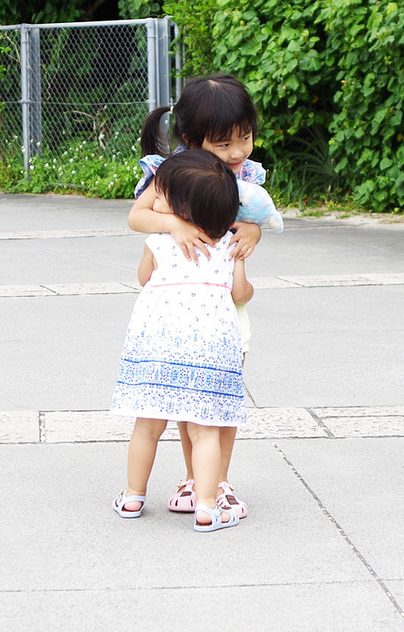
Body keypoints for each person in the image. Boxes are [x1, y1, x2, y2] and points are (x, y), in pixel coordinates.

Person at [127, 73, 282, 521]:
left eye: (245, 138)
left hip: (227, 305)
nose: (237, 153)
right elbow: (137, 217)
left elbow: (255, 222)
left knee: (222, 399)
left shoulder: (247, 177)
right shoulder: (173, 175)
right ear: (193, 140)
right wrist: (174, 224)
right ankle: (198, 481)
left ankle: (219, 481)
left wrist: (252, 229)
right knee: (189, 401)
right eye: (223, 144)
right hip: (182, 305)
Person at [110, 150, 253, 532]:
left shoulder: (158, 241)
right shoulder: (227, 245)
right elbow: (240, 294)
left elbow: (144, 278)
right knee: (203, 429)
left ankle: (132, 497)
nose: (155, 200)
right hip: (209, 351)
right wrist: (239, 269)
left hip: (156, 348)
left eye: (164, 195)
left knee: (147, 427)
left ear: (184, 208)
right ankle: (206, 507)